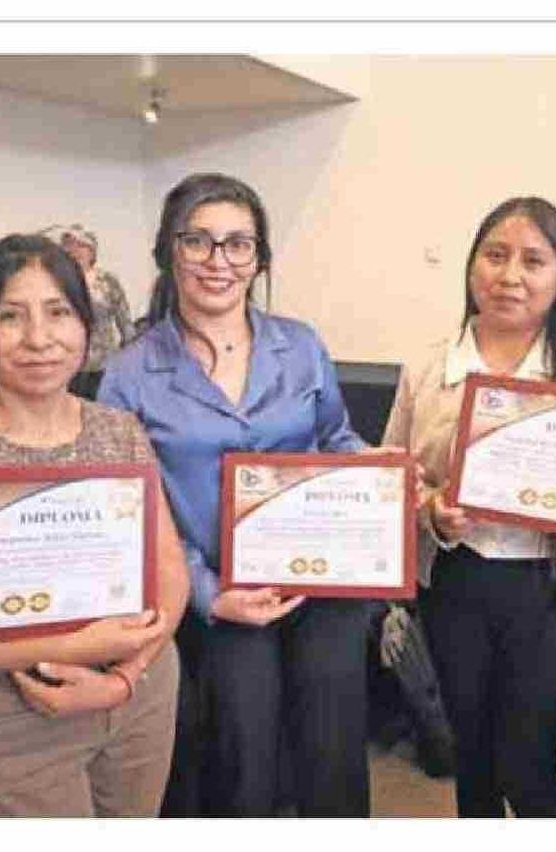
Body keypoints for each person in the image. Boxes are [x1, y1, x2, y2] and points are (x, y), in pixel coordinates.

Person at [0, 233, 189, 817]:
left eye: (58, 312)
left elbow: (171, 577)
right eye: (11, 316)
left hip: (141, 693)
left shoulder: (119, 432)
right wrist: (74, 648)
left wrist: (124, 676)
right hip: (15, 717)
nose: (39, 338)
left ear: (85, 325)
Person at [99, 173, 372, 817]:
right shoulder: (129, 373)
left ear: (259, 258)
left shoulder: (301, 345)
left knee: (333, 744)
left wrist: (379, 475)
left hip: (316, 576)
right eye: (198, 240)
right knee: (241, 755)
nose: (218, 261)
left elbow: (336, 439)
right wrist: (207, 592)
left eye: (238, 244)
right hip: (215, 592)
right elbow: (128, 511)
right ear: (169, 250)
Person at [381, 197, 556, 817]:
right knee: (474, 762)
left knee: (528, 766)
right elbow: (396, 474)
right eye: (496, 255)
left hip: (555, 586)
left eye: (534, 261)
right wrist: (431, 511)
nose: (510, 276)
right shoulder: (430, 364)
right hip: (458, 582)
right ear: (472, 265)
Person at [46, 224, 136, 398]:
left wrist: (130, 361)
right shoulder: (56, 282)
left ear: (92, 250)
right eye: (69, 246)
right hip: (67, 364)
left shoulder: (107, 281)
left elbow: (125, 323)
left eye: (81, 245)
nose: (75, 251)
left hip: (104, 364)